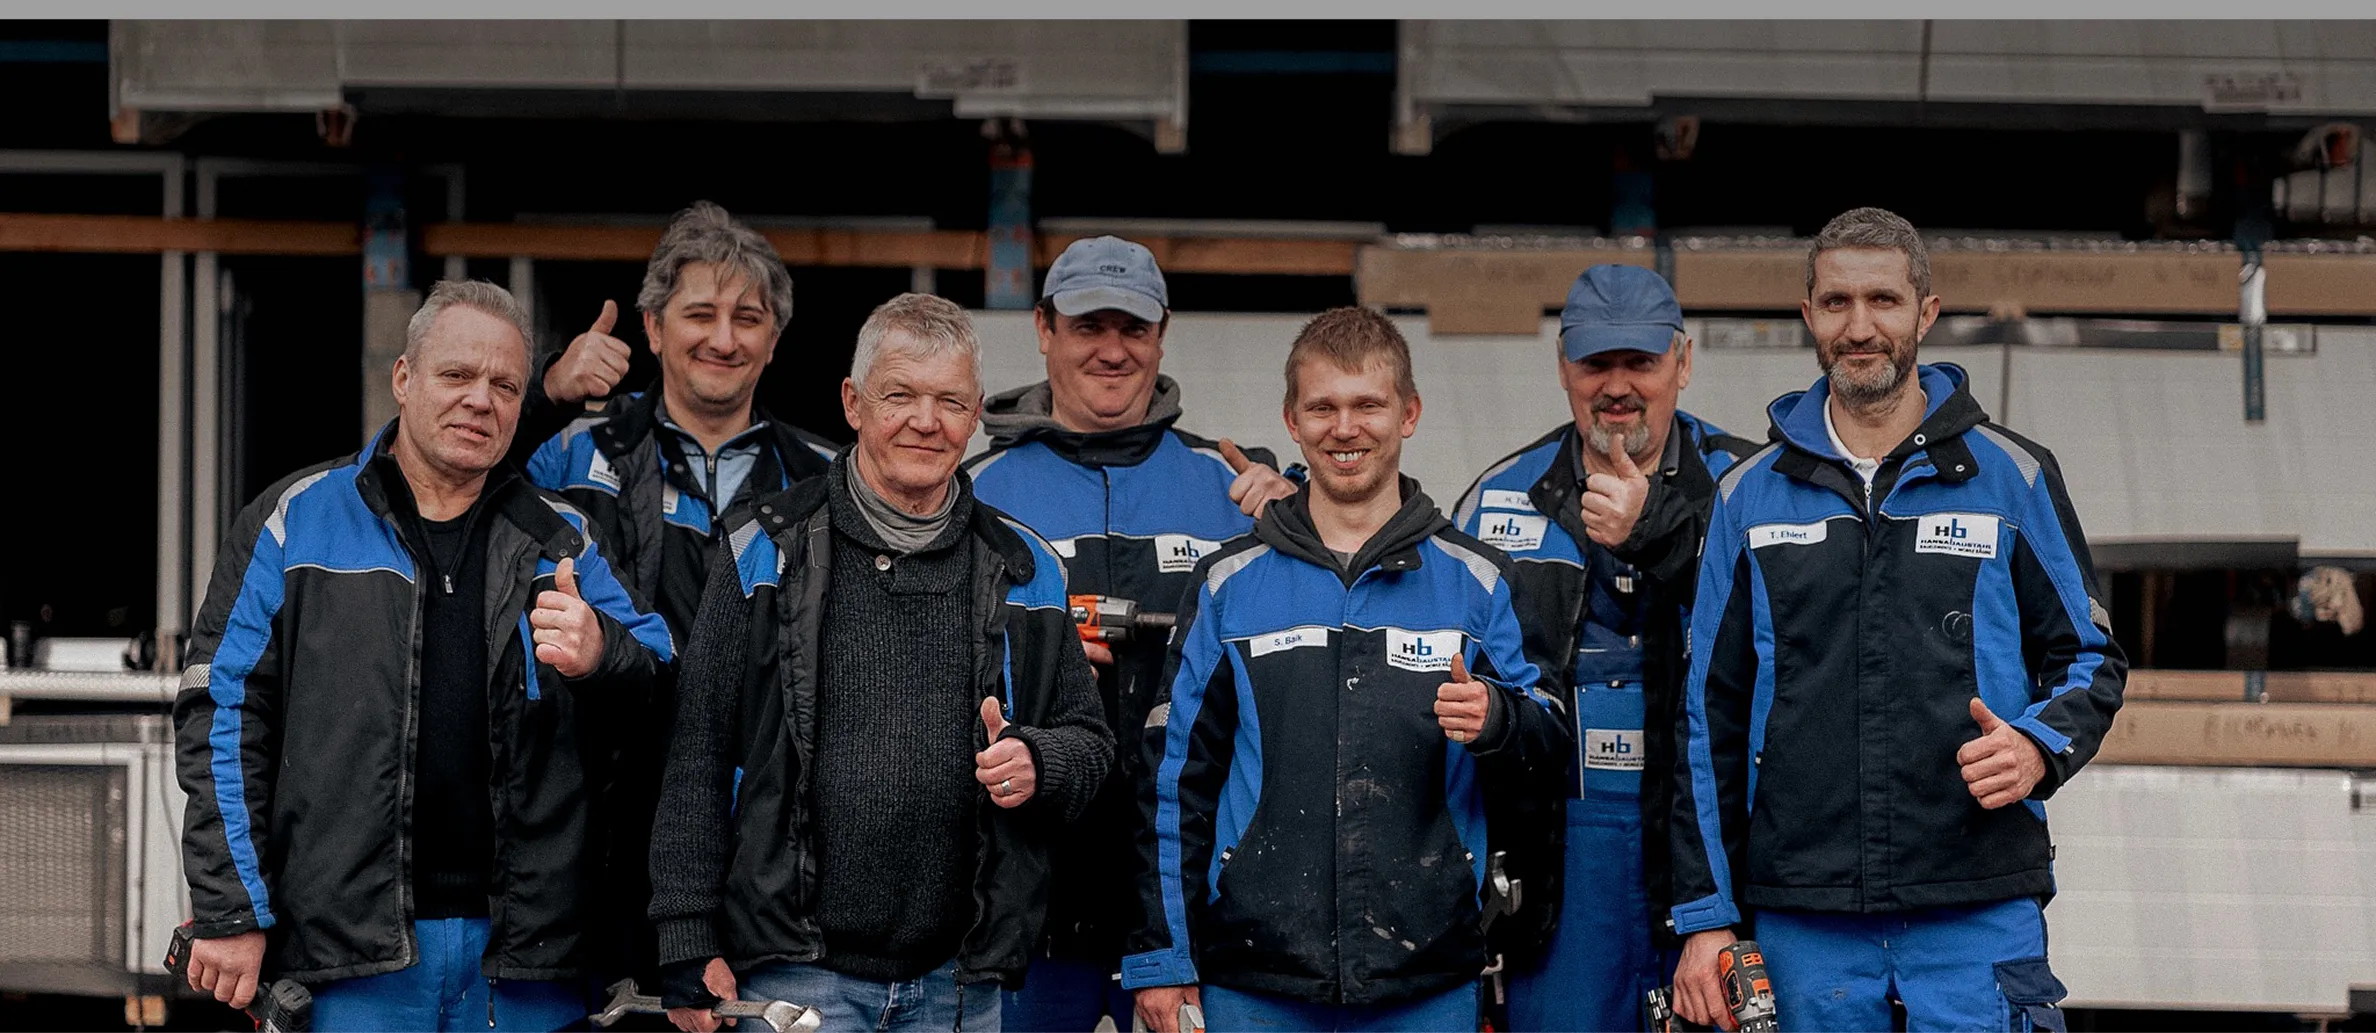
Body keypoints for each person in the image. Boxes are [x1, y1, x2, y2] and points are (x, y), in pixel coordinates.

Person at [1669, 208, 2126, 1032]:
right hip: (1807, 914)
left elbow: (2090, 657)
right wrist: (1706, 914)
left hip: (1976, 900)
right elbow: (1707, 717)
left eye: (1883, 300)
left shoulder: (2012, 476)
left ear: (1925, 312)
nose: (1860, 326)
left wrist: (2036, 746)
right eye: (1837, 303)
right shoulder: (1748, 496)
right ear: (1809, 315)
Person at [173, 280, 674, 1031]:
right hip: (350, 957)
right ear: (404, 379)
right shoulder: (295, 520)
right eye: (457, 375)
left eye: (505, 384)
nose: (482, 399)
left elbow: (666, 682)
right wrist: (234, 907)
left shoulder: (562, 537)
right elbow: (221, 712)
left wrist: (604, 653)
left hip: (525, 962)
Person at [646, 293, 1115, 1033]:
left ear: (974, 414)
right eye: (900, 395)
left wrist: (1041, 759)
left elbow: (1091, 744)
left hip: (959, 984)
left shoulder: (1026, 568)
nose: (926, 421)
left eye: (949, 401)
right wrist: (684, 934)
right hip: (798, 979)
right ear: (853, 403)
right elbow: (698, 750)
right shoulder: (763, 548)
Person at [1124, 306, 1568, 1033]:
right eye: (1322, 406)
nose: (1345, 426)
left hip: (1426, 979)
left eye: (1368, 404)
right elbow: (1172, 782)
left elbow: (1551, 748)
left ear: (1411, 412)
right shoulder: (1227, 585)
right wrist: (1164, 957)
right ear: (1292, 422)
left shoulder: (1481, 584)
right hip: (1255, 979)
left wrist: (1498, 719)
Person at [966, 235, 1297, 1032]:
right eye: (1088, 326)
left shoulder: (1236, 490)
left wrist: (1304, 520)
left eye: (1133, 328)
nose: (1112, 350)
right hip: (1027, 910)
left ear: (1162, 332)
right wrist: (1034, 660)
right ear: (1044, 328)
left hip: (1192, 916)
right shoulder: (974, 491)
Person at [523, 201, 834, 997]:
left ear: (774, 340)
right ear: (654, 328)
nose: (724, 338)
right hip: (597, 826)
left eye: (748, 318)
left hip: (766, 842)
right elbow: (447, 484)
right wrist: (548, 391)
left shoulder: (828, 479)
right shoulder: (573, 452)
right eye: (700, 313)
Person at [1452, 265, 1757, 1032]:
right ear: (1564, 367)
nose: (1617, 384)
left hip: (1717, 843)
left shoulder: (1751, 486)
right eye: (1595, 363)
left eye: (1641, 362)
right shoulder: (1498, 499)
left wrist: (1657, 526)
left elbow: (1791, 640)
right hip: (1561, 859)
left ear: (1682, 363)